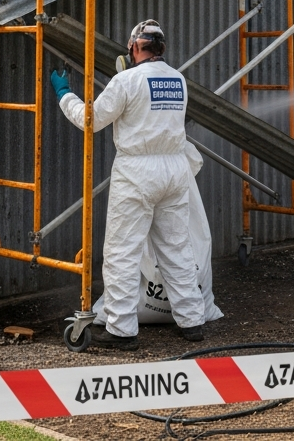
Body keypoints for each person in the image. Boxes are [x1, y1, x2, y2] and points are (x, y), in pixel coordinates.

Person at [49, 19, 207, 350]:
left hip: (137, 171)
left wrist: (65, 94)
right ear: (161, 48)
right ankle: (193, 321)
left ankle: (122, 330)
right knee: (176, 248)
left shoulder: (126, 81)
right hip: (174, 169)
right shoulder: (178, 80)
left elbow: (89, 121)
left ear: (135, 47)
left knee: (122, 251)